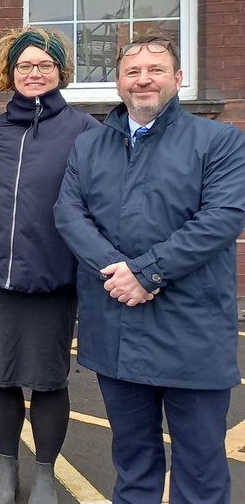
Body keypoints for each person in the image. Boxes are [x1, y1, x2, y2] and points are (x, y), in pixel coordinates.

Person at [54, 37, 245, 504]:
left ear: (178, 79)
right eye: (132, 71)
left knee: (200, 467)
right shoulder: (89, 145)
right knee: (133, 460)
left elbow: (222, 217)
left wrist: (147, 273)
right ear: (118, 82)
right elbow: (68, 214)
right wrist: (118, 275)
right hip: (116, 325)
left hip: (191, 331)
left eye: (155, 69)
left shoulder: (220, 141)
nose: (143, 79)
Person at [0, 28, 98, 503]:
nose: (34, 73)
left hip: (54, 279)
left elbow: (104, 200)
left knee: (49, 381)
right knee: (1, 377)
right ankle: (6, 470)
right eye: (24, 66)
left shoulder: (86, 131)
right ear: (8, 73)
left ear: (60, 72)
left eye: (44, 66)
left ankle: (46, 473)